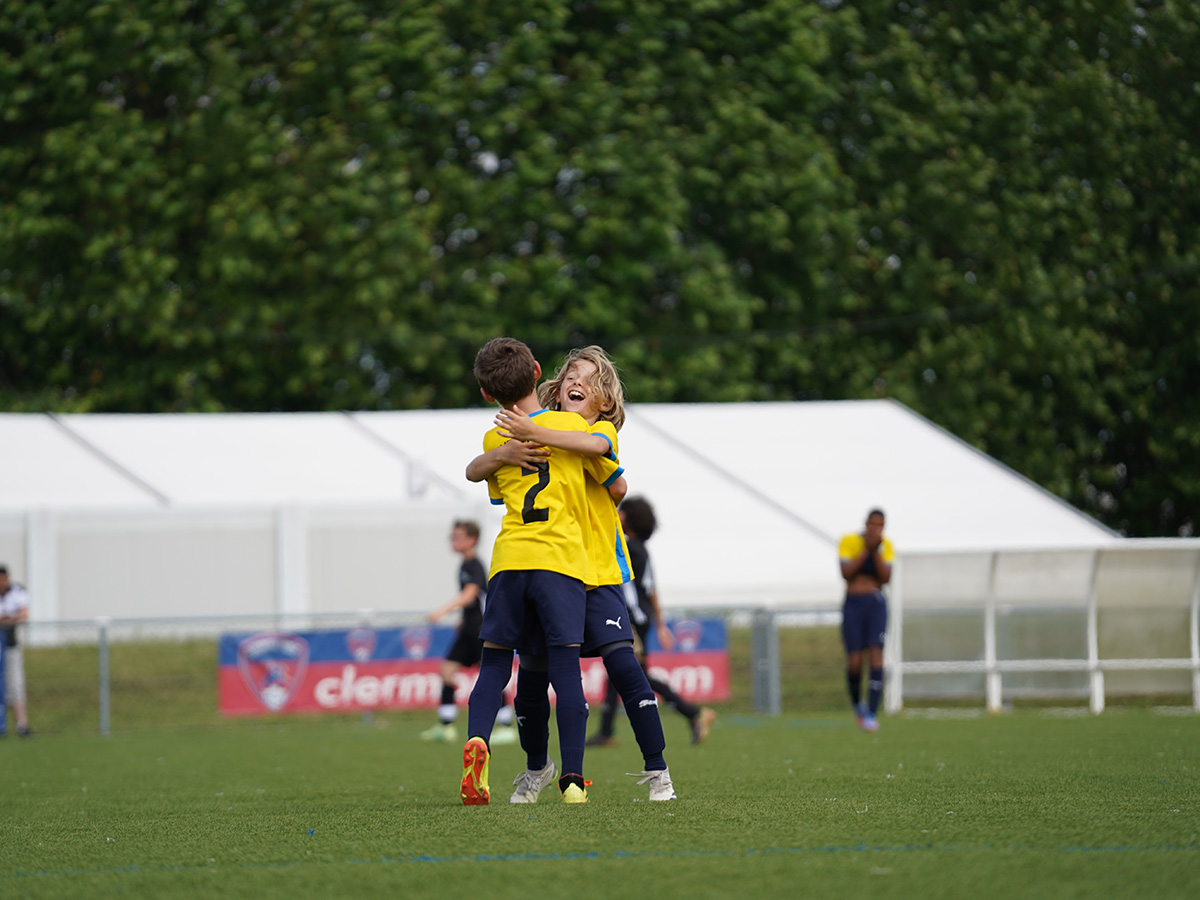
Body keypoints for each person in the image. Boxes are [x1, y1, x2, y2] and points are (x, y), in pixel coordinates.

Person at [474, 346, 676, 802]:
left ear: (605, 400)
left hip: (598, 573)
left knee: (624, 666)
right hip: (554, 571)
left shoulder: (593, 431)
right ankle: (535, 769)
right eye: (569, 374)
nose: (574, 380)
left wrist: (532, 431)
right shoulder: (541, 431)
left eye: (587, 376)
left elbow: (617, 481)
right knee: (531, 678)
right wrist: (519, 441)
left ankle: (658, 769)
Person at [458, 337, 603, 806]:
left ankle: (478, 738)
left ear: (486, 394)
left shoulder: (494, 439)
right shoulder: (568, 424)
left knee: (495, 666)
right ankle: (575, 781)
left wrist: (500, 454)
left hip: (508, 564)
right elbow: (602, 461)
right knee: (565, 670)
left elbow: (489, 484)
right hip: (559, 563)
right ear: (539, 371)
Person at [586, 496, 716, 747]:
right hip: (637, 618)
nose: (616, 515)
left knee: (634, 673)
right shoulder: (640, 549)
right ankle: (606, 731)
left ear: (628, 519)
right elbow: (652, 588)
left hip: (631, 619)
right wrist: (660, 623)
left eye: (620, 512)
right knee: (619, 672)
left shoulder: (628, 546)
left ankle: (693, 712)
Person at [420, 520, 516, 746]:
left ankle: (506, 727)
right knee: (446, 671)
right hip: (468, 629)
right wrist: (463, 619)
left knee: (491, 677)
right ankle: (446, 725)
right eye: (452, 537)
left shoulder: (474, 565)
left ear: (472, 539)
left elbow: (471, 594)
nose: (454, 541)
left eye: (458, 536)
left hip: (481, 630)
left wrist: (441, 611)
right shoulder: (464, 565)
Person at [838, 508, 895, 731]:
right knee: (854, 660)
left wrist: (876, 551)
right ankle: (857, 706)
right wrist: (866, 550)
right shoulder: (849, 541)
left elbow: (885, 577)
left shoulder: (886, 546)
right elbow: (847, 573)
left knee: (876, 654)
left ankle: (872, 712)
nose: (876, 529)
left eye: (880, 526)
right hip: (853, 603)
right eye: (872, 524)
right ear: (866, 524)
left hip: (875, 604)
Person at [0, 565, 32, 737]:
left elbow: (24, 614)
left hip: (10, 645)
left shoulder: (17, 591)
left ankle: (22, 724)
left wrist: (9, 619)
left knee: (15, 684)